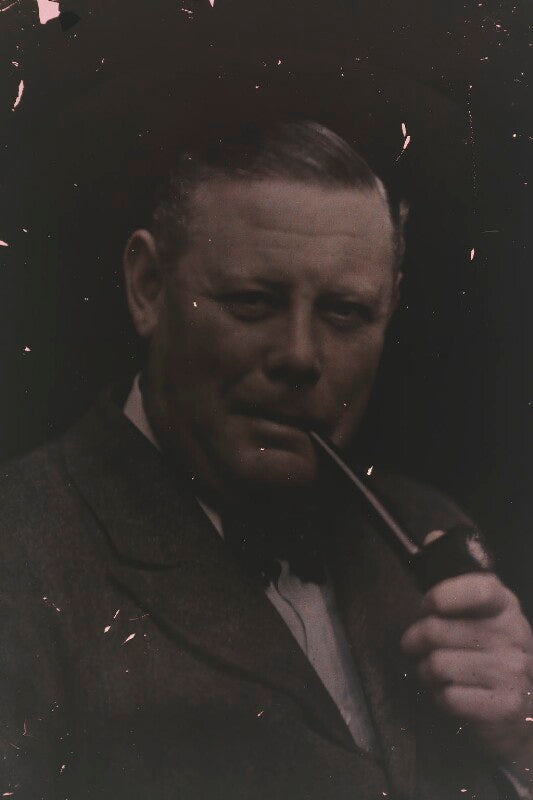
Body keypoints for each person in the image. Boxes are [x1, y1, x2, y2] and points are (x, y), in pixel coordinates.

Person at [1, 120, 532, 799]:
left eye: (345, 312)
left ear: (390, 310)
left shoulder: (428, 532)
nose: (300, 356)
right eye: (253, 302)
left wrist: (518, 747)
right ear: (148, 287)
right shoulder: (19, 549)